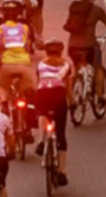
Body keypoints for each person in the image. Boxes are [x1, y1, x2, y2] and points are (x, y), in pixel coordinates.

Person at [63, 0, 106, 97]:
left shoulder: (74, 7)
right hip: (89, 46)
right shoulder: (97, 10)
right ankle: (100, 97)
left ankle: (72, 96)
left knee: (76, 68)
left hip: (72, 46)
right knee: (98, 67)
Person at [35, 39, 73, 186]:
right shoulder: (65, 65)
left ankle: (40, 140)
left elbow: (38, 82)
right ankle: (62, 172)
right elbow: (68, 89)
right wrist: (73, 102)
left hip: (42, 93)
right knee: (61, 135)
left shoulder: (40, 65)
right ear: (61, 51)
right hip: (58, 95)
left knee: (42, 112)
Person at [0, 2, 35, 104]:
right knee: (29, 90)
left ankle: (4, 103)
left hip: (6, 65)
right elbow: (28, 47)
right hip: (24, 64)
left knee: (3, 86)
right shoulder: (25, 28)